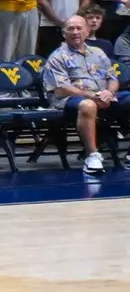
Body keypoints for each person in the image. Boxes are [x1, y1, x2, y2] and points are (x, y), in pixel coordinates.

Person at [42, 14, 117, 174]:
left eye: (79, 28)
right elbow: (61, 88)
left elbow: (112, 77)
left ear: (87, 31)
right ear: (64, 33)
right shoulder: (57, 57)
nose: (75, 32)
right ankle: (92, 155)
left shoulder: (98, 52)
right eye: (71, 29)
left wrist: (109, 93)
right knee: (88, 105)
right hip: (68, 100)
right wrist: (92, 96)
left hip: (102, 96)